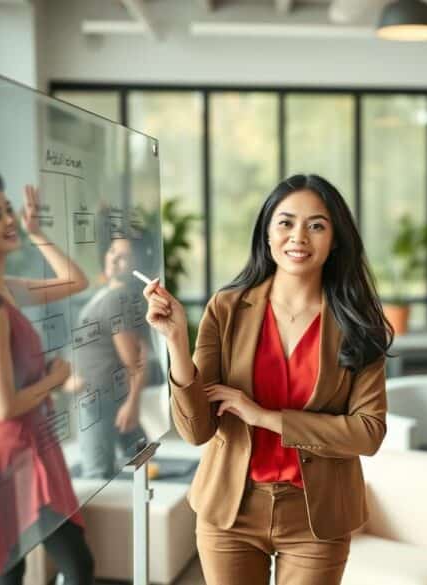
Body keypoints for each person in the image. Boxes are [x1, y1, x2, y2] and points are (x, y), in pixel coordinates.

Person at [142, 174, 391, 585]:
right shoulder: (227, 308)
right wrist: (175, 341)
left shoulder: (359, 323)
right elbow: (196, 430)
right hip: (230, 510)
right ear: (267, 233)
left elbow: (368, 433)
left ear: (335, 240)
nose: (299, 236)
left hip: (318, 517)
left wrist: (262, 416)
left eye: (317, 225)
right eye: (286, 222)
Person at [0, 170, 95, 584]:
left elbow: (76, 280)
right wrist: (56, 378)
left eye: (8, 210)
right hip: (13, 449)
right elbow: (7, 405)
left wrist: (36, 233)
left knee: (46, 567)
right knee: (47, 569)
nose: (9, 219)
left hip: (33, 439)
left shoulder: (8, 288)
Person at [70, 230, 149, 478]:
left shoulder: (117, 299)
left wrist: (132, 404)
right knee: (136, 460)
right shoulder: (108, 293)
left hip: (101, 401)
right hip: (97, 396)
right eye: (113, 251)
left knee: (96, 474)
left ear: (136, 264)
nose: (114, 259)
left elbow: (135, 361)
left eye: (124, 256)